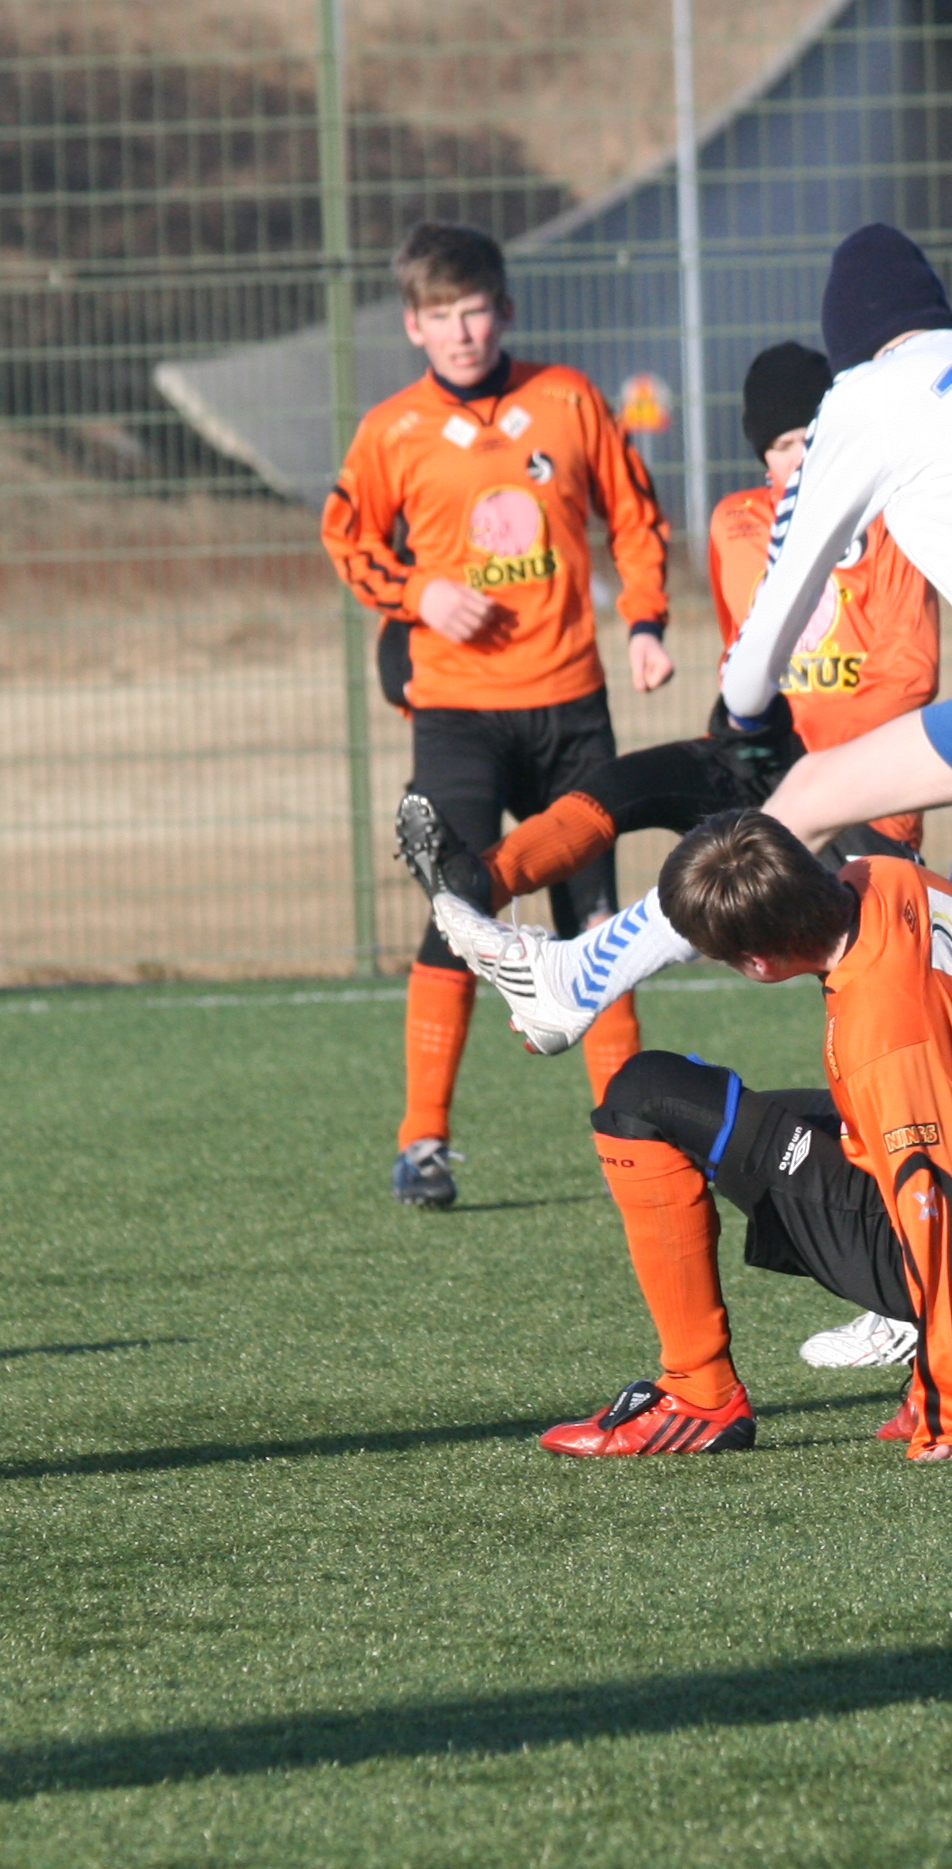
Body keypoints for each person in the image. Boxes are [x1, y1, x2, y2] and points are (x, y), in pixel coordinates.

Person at [433, 222, 952, 1051]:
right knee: (815, 798)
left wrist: (745, 711)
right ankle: (577, 980)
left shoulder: (868, 393)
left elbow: (781, 597)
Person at [392, 337, 944, 1374]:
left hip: (866, 790)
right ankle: (480, 883)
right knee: (638, 786)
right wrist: (744, 730)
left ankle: (913, 1291)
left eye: (813, 441)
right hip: (780, 767)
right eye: (780, 446)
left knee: (873, 1045)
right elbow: (750, 655)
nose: (797, 460)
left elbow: (905, 679)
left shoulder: (891, 524)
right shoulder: (738, 524)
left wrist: (806, 769)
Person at [538, 810, 952, 1462]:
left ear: (759, 962)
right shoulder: (885, 877)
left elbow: (943, 1206)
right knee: (708, 1112)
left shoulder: (887, 1038)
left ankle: (698, 1396)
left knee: (643, 1098)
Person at [321, 220, 674, 1209]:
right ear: (413, 326)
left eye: (475, 311)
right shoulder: (392, 431)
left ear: (505, 311)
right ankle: (423, 1142)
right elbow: (345, 537)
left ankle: (632, 1137)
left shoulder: (567, 399)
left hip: (571, 710)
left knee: (597, 926)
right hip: (458, 716)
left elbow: (635, 516)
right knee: (458, 912)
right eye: (442, 317)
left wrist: (646, 621)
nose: (462, 332)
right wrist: (419, 594)